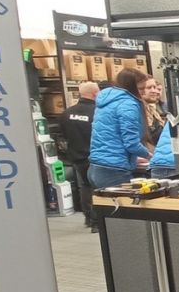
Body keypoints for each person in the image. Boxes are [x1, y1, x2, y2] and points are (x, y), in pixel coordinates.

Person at [87, 68, 153, 189]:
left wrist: (133, 158)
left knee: (103, 201)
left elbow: (111, 137)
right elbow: (131, 143)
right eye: (141, 89)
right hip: (114, 171)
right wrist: (150, 156)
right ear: (131, 87)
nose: (143, 93)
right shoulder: (128, 104)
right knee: (125, 201)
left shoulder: (106, 101)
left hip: (96, 167)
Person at [59, 81, 99, 230]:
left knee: (85, 187)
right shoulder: (97, 112)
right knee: (97, 188)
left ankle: (89, 218)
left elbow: (63, 135)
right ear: (95, 94)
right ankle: (97, 221)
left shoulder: (66, 113)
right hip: (95, 156)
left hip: (77, 156)